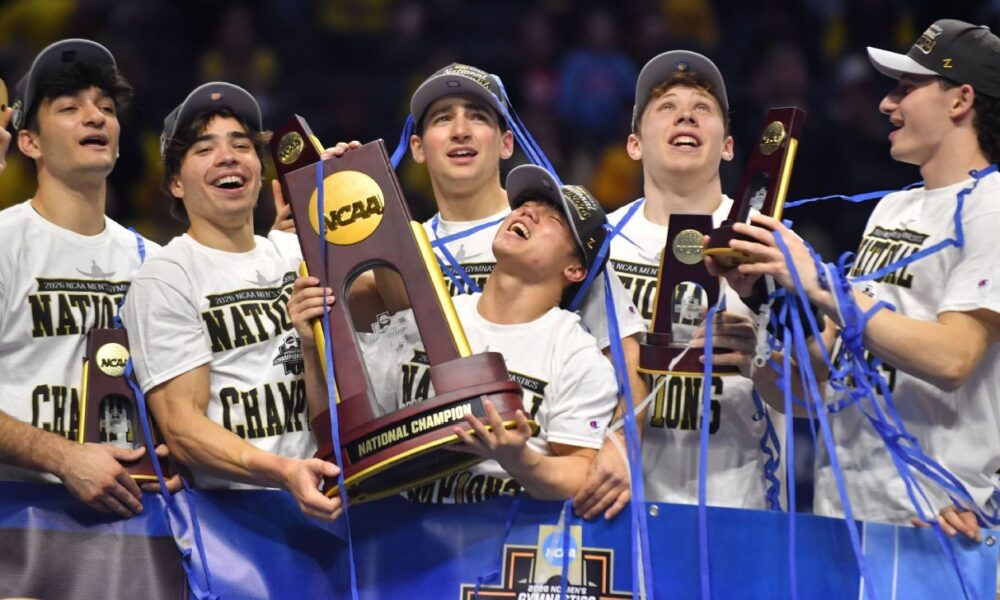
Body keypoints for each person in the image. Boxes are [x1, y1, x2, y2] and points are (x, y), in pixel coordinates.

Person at [712, 19, 1000, 540]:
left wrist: (820, 283)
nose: (887, 105)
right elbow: (815, 387)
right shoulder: (892, 208)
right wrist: (755, 343)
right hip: (843, 517)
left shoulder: (992, 204)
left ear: (960, 99)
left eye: (906, 89)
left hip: (938, 526)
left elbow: (953, 358)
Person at [293, 164, 619, 502]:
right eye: (525, 205)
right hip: (405, 539)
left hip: (501, 541)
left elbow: (581, 473)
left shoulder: (575, 355)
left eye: (555, 217)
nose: (529, 212)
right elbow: (338, 431)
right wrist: (310, 348)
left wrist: (519, 459)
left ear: (575, 269)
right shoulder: (432, 318)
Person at [574, 51, 786, 518]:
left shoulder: (769, 242)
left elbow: (812, 392)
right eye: (666, 106)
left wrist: (763, 359)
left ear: (728, 146)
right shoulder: (592, 248)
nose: (686, 113)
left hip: (736, 507)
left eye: (702, 108)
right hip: (609, 505)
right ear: (634, 145)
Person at [121, 82, 341, 521]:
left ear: (260, 174)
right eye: (205, 149)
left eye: (242, 145)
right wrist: (283, 471)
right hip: (236, 520)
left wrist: (357, 187)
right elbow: (183, 428)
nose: (228, 156)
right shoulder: (167, 277)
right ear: (176, 183)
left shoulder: (296, 256)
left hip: (326, 497)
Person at [0, 38, 175, 518]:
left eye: (105, 107)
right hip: (16, 515)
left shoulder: (154, 261)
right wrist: (63, 457)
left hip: (134, 520)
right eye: (70, 108)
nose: (96, 117)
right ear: (30, 141)